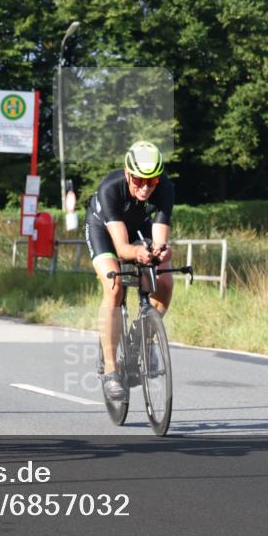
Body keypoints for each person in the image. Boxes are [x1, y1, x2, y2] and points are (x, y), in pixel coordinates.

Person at [84, 140, 175, 401]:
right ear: (127, 174)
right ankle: (111, 370)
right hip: (104, 229)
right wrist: (137, 253)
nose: (145, 187)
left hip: (140, 227)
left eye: (152, 181)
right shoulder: (111, 189)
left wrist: (161, 252)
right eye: (138, 180)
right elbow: (122, 246)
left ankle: (142, 338)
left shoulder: (165, 188)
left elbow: (159, 238)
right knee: (114, 288)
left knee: (165, 281)